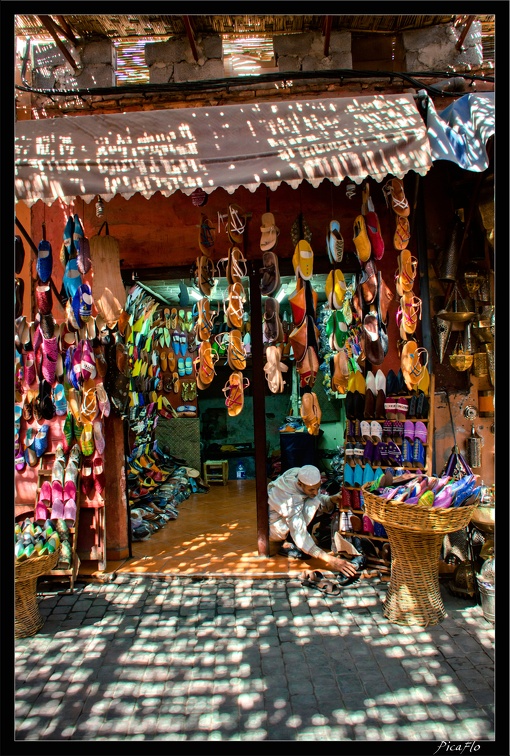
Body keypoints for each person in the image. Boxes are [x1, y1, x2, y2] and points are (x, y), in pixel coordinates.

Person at [268, 464, 358, 578]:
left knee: (314, 500)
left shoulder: (298, 473)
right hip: (275, 527)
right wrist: (330, 560)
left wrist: (331, 499)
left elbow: (316, 497)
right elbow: (299, 533)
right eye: (312, 489)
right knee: (312, 503)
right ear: (300, 484)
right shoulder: (289, 497)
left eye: (317, 487)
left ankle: (297, 543)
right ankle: (291, 542)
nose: (315, 492)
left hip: (290, 517)